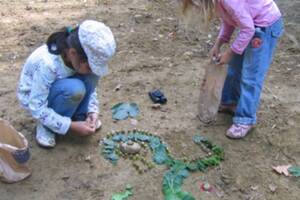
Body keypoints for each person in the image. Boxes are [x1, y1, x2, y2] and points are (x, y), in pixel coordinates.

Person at [180, 0, 284, 138]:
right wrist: (219, 43)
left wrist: (229, 53)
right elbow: (229, 20)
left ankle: (246, 119)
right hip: (251, 25)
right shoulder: (219, 3)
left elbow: (248, 29)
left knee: (251, 77)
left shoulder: (229, 1)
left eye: (195, 4)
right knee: (234, 69)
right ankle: (230, 102)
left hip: (265, 26)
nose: (196, 8)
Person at [17, 20, 116, 147]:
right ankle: (48, 127)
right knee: (75, 89)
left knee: (91, 77)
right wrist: (70, 126)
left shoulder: (76, 61)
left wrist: (92, 111)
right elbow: (37, 106)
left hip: (61, 90)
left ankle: (81, 117)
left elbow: (91, 88)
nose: (92, 70)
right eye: (90, 66)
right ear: (73, 53)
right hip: (39, 100)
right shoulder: (48, 64)